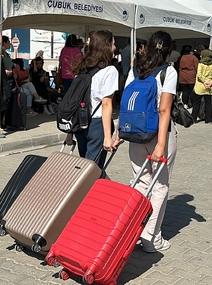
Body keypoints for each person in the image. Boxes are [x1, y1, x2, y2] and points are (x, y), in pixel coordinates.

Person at [124, 30, 177, 254]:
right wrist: (161, 144)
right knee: (160, 186)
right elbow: (164, 109)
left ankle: (132, 230)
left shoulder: (136, 69)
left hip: (134, 133)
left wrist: (120, 132)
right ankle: (151, 238)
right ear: (168, 50)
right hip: (158, 133)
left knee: (139, 182)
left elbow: (126, 101)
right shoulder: (168, 72)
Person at [73, 30, 118, 168]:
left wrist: (70, 132)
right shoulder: (110, 71)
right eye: (113, 44)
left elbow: (74, 99)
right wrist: (107, 136)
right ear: (106, 46)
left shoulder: (83, 68)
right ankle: (88, 190)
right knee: (92, 170)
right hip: (97, 124)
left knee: (85, 166)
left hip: (80, 122)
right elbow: (106, 104)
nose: (115, 47)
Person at [191, 50, 212, 124]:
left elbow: (199, 75)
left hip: (200, 86)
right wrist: (210, 83)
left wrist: (204, 82)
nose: (200, 56)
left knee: (197, 103)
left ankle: (194, 118)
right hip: (209, 86)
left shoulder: (201, 64)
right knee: (208, 103)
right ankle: (208, 119)